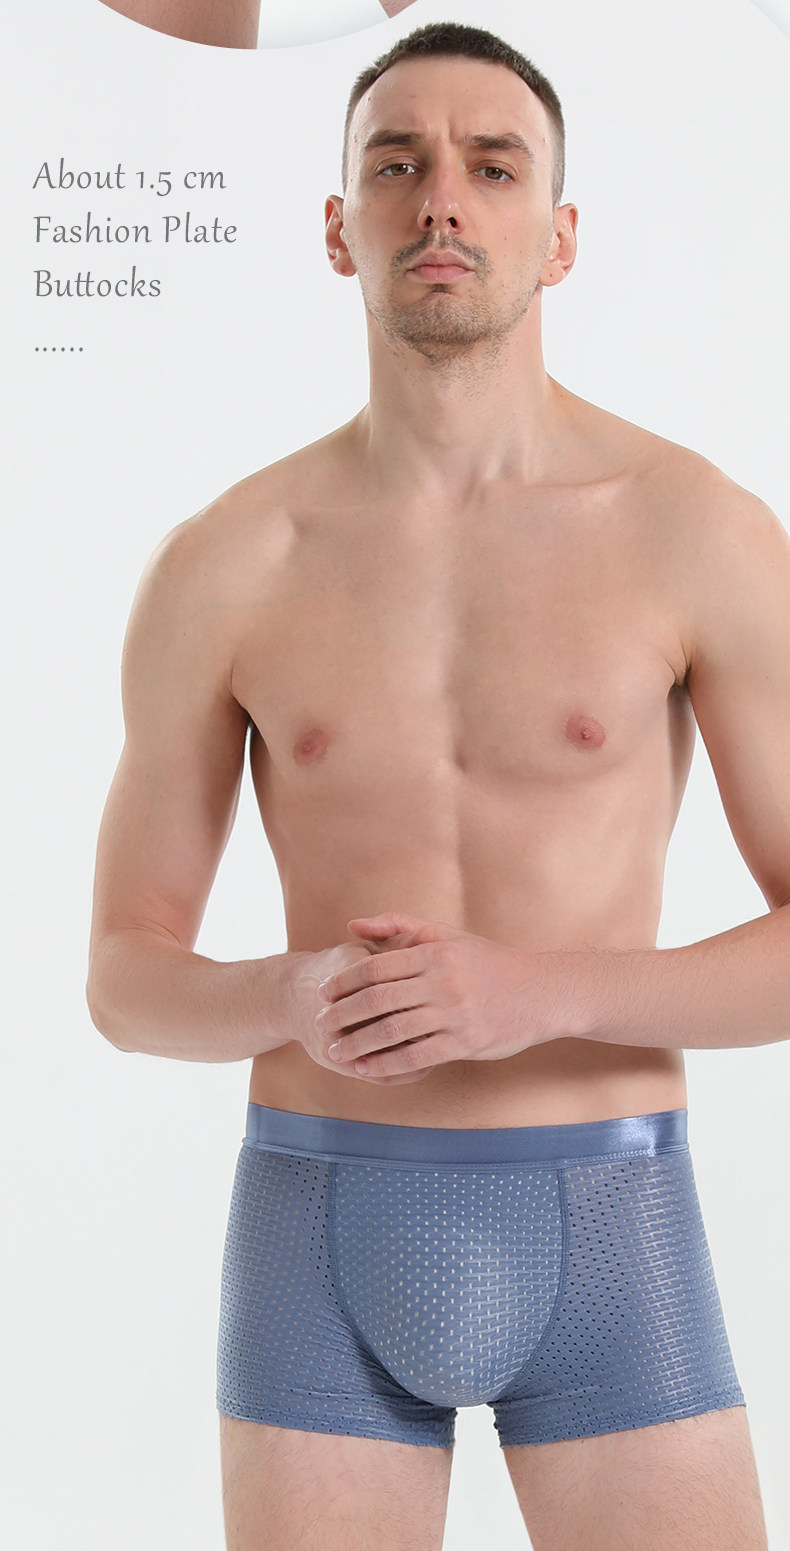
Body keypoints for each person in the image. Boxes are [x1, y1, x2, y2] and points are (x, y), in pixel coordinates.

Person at [86, 20, 787, 1550]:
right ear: (340, 228)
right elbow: (124, 981)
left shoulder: (695, 533)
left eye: (492, 166)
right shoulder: (226, 563)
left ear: (562, 233)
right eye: (395, 166)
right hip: (316, 1220)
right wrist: (288, 994)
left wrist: (537, 990)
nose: (441, 200)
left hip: (610, 1215)